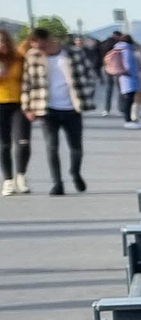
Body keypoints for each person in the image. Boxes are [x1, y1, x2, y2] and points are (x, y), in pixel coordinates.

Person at [23, 27, 102, 195]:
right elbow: (27, 82)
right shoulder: (33, 56)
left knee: (76, 147)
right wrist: (28, 107)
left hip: (72, 107)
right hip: (47, 108)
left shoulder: (73, 53)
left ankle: (75, 172)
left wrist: (87, 94)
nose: (39, 50)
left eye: (41, 46)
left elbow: (90, 74)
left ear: (49, 40)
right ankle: (57, 183)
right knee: (51, 147)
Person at [0, 26, 26, 195]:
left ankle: (21, 176)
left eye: (3, 41)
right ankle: (8, 180)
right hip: (0, 103)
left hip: (18, 103)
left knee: (22, 142)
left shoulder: (18, 58)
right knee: (4, 144)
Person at [101, 35, 140, 124]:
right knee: (129, 99)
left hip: (123, 77)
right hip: (130, 77)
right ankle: (128, 119)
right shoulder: (127, 51)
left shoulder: (119, 49)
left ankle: (128, 118)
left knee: (127, 98)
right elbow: (129, 66)